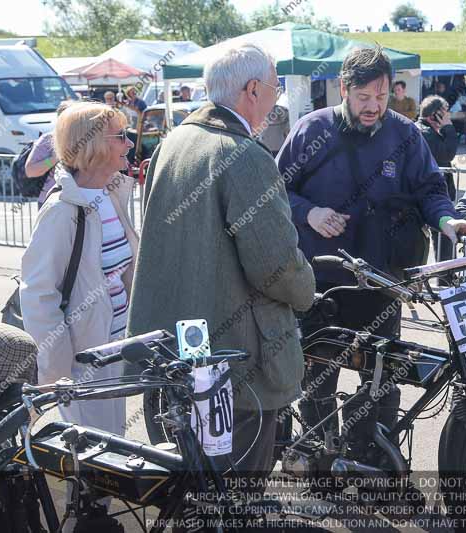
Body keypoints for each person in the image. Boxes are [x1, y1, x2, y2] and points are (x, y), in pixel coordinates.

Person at [127, 43, 315, 491]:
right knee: (235, 497)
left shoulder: (174, 142)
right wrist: (307, 288)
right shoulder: (245, 155)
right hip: (234, 365)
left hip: (176, 357)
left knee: (192, 492)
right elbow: (278, 266)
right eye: (274, 88)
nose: (276, 100)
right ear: (253, 90)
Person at [277, 45, 466, 442]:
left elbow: (431, 190)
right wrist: (309, 213)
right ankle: (320, 469)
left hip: (382, 280)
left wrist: (448, 220)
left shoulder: (405, 135)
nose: (373, 106)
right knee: (318, 378)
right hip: (321, 282)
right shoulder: (312, 130)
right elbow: (275, 192)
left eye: (381, 97)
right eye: (364, 97)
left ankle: (370, 461)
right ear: (343, 88)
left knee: (380, 377)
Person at [21, 101, 138, 437]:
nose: (130, 143)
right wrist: (59, 373)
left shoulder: (110, 194)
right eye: (121, 136)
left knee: (112, 443)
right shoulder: (61, 210)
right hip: (82, 362)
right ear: (93, 145)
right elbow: (39, 294)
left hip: (113, 348)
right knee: (92, 458)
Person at [417, 95, 458, 263]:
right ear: (435, 115)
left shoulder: (421, 130)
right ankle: (446, 280)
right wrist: (448, 128)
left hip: (426, 196)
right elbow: (447, 152)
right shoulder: (427, 134)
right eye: (445, 114)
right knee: (444, 239)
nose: (448, 117)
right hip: (433, 199)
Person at [25, 100, 74, 208]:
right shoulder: (48, 139)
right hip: (51, 201)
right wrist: (54, 158)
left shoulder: (88, 140)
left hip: (81, 201)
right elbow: (30, 170)